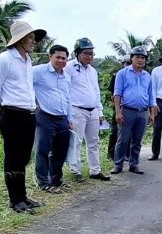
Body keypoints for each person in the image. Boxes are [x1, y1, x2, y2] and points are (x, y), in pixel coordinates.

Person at [0, 20, 46, 214]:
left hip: (28, 114)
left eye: (34, 38)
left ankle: (23, 196)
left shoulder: (27, 61)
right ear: (19, 39)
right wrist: (1, 105)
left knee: (23, 157)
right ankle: (15, 200)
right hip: (12, 114)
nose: (33, 41)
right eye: (30, 37)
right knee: (13, 157)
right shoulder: (5, 59)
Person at [66, 37, 111, 182]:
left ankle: (95, 171)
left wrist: (100, 112)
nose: (89, 57)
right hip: (77, 110)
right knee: (76, 141)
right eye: (86, 53)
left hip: (93, 111)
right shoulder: (69, 67)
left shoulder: (93, 71)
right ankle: (75, 170)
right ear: (78, 53)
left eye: (92, 54)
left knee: (94, 141)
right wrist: (68, 114)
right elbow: (65, 90)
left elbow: (96, 92)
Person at [33, 45, 73, 193]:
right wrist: (32, 104)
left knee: (61, 150)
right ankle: (43, 183)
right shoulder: (38, 71)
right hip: (45, 116)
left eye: (64, 58)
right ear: (50, 57)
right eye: (58, 57)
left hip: (62, 118)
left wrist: (70, 118)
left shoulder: (66, 76)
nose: (61, 60)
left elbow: (68, 98)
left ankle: (56, 179)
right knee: (43, 150)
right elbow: (23, 84)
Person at [111, 46, 157, 175]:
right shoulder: (123, 73)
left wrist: (152, 114)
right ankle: (118, 165)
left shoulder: (148, 76)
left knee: (137, 141)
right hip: (127, 110)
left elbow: (151, 96)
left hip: (143, 112)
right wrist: (118, 112)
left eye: (143, 58)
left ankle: (134, 164)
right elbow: (117, 94)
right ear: (131, 58)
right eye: (137, 57)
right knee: (123, 139)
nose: (140, 60)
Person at [107, 56, 132, 162]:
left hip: (129, 107)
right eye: (125, 63)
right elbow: (111, 92)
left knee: (128, 132)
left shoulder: (134, 76)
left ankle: (126, 154)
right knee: (115, 131)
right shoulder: (117, 75)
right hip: (118, 107)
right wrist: (116, 106)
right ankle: (111, 153)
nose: (127, 65)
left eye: (129, 63)